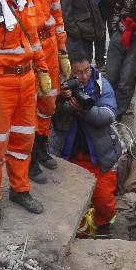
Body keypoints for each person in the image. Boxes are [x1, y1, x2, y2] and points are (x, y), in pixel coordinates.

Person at [0, 0, 51, 226]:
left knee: (23, 139)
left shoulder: (24, 0)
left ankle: (20, 189)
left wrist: (42, 71)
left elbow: (34, 39)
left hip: (26, 81)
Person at [20, 0, 72, 185]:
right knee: (28, 106)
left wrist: (62, 51)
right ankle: (27, 158)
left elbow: (58, 16)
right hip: (28, 50)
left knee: (48, 103)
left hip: (49, 47)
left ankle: (41, 148)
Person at [49, 52, 121, 237]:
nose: (84, 76)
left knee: (103, 198)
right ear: (69, 73)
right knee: (72, 201)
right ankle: (80, 232)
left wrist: (83, 110)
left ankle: (104, 227)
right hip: (70, 155)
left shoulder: (101, 85)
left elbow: (108, 116)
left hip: (100, 154)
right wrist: (64, 103)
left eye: (87, 70)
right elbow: (55, 122)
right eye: (78, 73)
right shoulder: (59, 87)